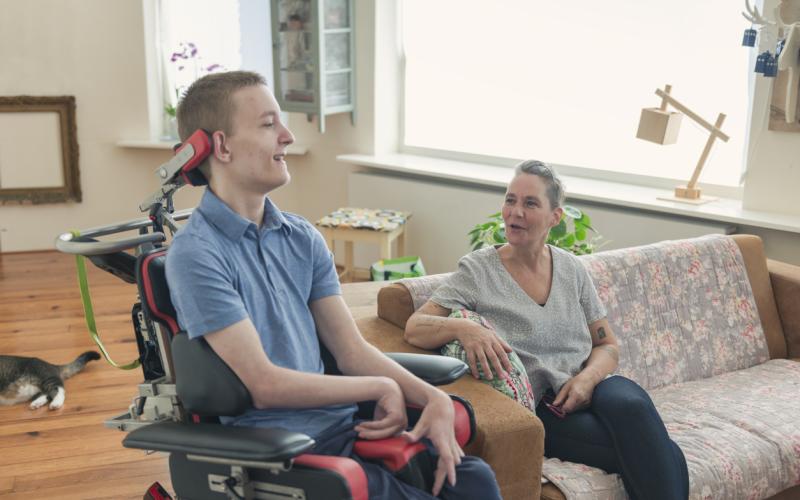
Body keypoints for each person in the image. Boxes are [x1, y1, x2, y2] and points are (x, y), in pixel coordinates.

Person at [164, 70, 501, 500]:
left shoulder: (302, 238)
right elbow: (264, 386)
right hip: (287, 452)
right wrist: (382, 387)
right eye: (269, 124)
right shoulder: (197, 254)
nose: (287, 135)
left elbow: (352, 350)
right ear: (221, 146)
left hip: (348, 429)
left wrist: (432, 399)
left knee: (474, 483)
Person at [404, 160, 690, 500]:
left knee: (633, 407)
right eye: (510, 200)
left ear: (555, 217)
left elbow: (607, 345)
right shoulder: (479, 270)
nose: (515, 212)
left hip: (595, 387)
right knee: (660, 452)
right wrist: (463, 327)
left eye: (530, 203)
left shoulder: (572, 269)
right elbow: (415, 327)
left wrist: (587, 379)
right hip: (548, 408)